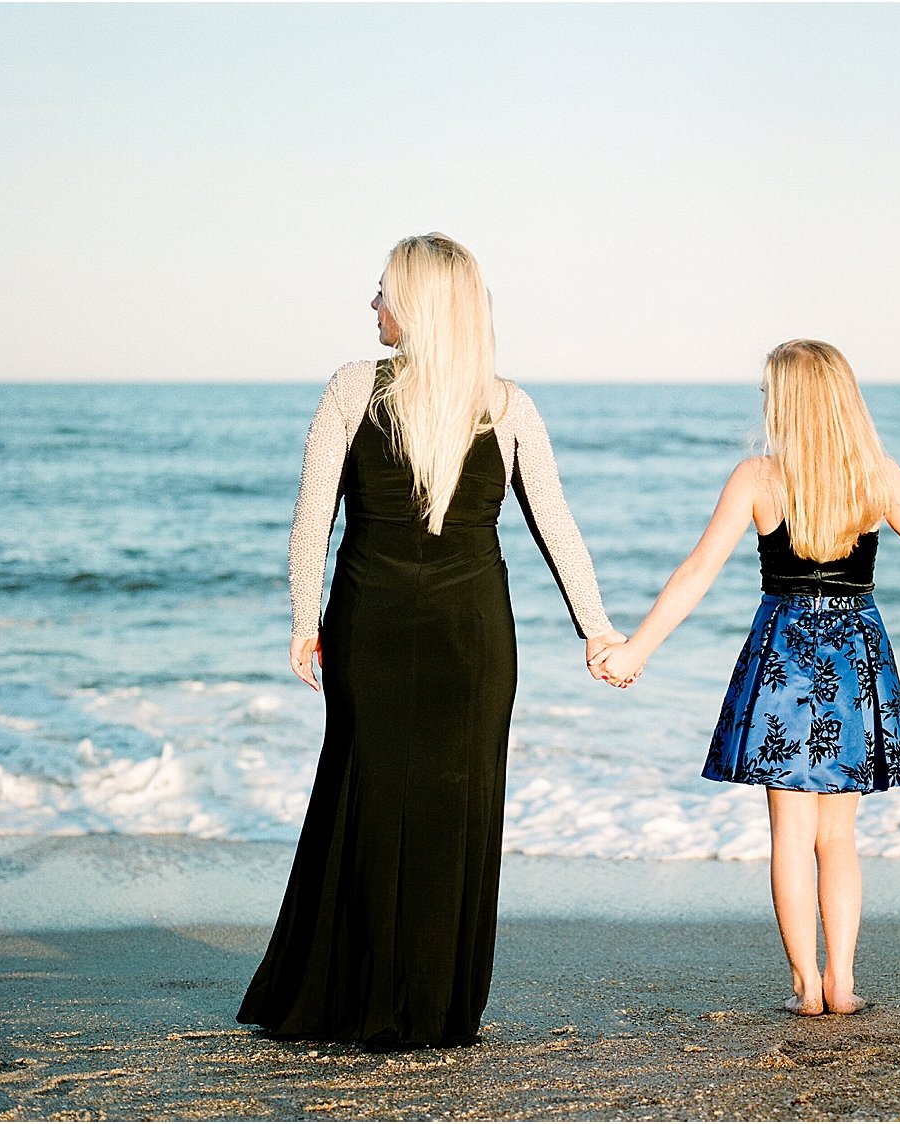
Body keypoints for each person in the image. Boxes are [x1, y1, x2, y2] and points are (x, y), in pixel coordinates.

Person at [238, 234, 623, 1047]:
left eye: (381, 291)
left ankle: (347, 996)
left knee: (364, 800)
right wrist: (598, 630)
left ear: (414, 305)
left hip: (370, 626)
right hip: (472, 639)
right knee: (456, 810)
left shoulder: (353, 387)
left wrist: (303, 622)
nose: (372, 304)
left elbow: (313, 519)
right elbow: (557, 526)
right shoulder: (507, 402)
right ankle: (439, 1006)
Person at [592, 339, 900, 1016]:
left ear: (787, 403)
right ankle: (842, 982)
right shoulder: (876, 476)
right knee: (838, 838)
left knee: (790, 836)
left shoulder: (757, 478)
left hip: (782, 652)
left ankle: (807, 987)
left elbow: (696, 573)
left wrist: (637, 649)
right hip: (853, 655)